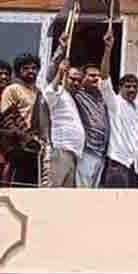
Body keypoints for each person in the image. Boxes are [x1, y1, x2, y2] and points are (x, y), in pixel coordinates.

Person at [98, 33, 138, 188]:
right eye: (128, 86)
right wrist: (108, 50)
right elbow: (104, 77)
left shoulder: (136, 110)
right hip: (117, 164)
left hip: (133, 167)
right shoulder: (115, 102)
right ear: (119, 88)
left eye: (135, 86)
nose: (132, 89)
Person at [42, 43, 85, 189]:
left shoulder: (72, 98)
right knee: (51, 193)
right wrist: (60, 72)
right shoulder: (59, 91)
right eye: (72, 78)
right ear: (65, 77)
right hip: (59, 150)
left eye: (79, 80)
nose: (76, 82)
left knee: (64, 198)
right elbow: (48, 95)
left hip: (72, 154)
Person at [0, 53, 42, 188]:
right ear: (18, 71)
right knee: (17, 187)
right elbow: (7, 120)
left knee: (32, 189)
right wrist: (24, 137)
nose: (31, 71)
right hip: (19, 146)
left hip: (35, 147)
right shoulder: (12, 89)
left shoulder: (38, 92)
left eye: (34, 68)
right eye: (26, 68)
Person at [72, 62, 110, 188]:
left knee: (94, 195)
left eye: (98, 76)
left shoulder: (101, 98)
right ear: (82, 79)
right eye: (92, 75)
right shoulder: (77, 94)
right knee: (82, 193)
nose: (96, 79)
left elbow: (105, 76)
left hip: (101, 154)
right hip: (87, 151)